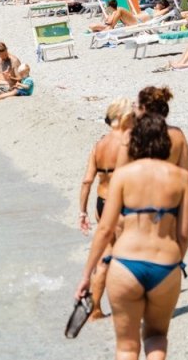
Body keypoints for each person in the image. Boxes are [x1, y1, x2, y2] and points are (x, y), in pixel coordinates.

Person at [75, 113, 188, 360]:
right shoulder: (181, 178)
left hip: (126, 265)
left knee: (127, 347)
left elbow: (106, 229)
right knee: (156, 337)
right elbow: (183, 233)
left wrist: (86, 275)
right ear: (165, 143)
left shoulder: (123, 175)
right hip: (165, 265)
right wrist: (174, 261)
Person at [77, 98, 134, 320]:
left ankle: (96, 309)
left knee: (105, 257)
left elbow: (86, 181)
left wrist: (82, 212)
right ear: (125, 117)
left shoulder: (99, 145)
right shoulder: (130, 143)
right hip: (123, 203)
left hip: (102, 203)